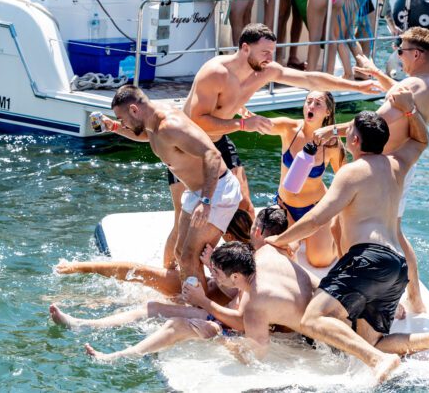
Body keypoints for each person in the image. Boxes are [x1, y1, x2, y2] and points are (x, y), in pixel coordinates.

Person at [268, 103, 429, 383]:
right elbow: (421, 139)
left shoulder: (352, 171)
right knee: (371, 341)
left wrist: (279, 240)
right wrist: (411, 111)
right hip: (396, 266)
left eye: (349, 131)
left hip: (368, 258)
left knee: (312, 320)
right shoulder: (397, 165)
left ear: (355, 140)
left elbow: (318, 218)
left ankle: (377, 361)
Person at [183, 23, 382, 228]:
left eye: (272, 52)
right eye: (265, 52)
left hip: (219, 140)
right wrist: (243, 123)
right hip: (189, 145)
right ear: (245, 48)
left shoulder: (265, 70)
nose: (270, 58)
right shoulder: (215, 73)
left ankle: (244, 258)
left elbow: (310, 79)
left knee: (246, 208)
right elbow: (198, 122)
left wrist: (356, 86)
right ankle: (175, 260)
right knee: (185, 217)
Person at [318, 26, 429, 314]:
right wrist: (376, 73)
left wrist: (330, 130)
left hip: (385, 168)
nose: (397, 55)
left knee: (343, 223)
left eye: (400, 50)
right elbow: (399, 96)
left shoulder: (412, 86)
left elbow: (375, 121)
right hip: (404, 164)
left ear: (416, 53)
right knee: (394, 231)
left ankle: (347, 286)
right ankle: (414, 298)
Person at [78, 207, 296, 361]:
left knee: (176, 324)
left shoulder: (261, 265)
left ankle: (115, 356)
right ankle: (84, 324)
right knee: (154, 307)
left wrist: (206, 292)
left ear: (257, 231)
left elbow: (243, 313)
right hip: (231, 319)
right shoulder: (278, 257)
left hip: (234, 327)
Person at [99, 84, 241, 288]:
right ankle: (197, 296)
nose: (124, 123)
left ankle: (202, 309)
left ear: (134, 110)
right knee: (180, 253)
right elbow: (145, 135)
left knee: (189, 257)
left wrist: (206, 201)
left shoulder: (170, 126)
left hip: (217, 191)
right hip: (198, 192)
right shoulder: (153, 122)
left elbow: (213, 155)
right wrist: (114, 127)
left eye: (123, 119)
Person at [54, 208, 253, 298]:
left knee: (142, 280)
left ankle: (82, 273)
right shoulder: (238, 250)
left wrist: (210, 264)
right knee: (142, 274)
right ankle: (81, 268)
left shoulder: (248, 262)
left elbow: (237, 293)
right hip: (208, 289)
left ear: (226, 233)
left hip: (210, 298)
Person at [267, 91, 345, 266]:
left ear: (328, 112)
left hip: (314, 209)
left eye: (318, 103)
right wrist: (243, 118)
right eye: (308, 101)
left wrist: (337, 210)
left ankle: (336, 232)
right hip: (285, 206)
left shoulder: (332, 144)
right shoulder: (289, 128)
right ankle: (302, 237)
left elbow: (345, 177)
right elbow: (260, 124)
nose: (311, 106)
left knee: (319, 261)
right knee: (279, 254)